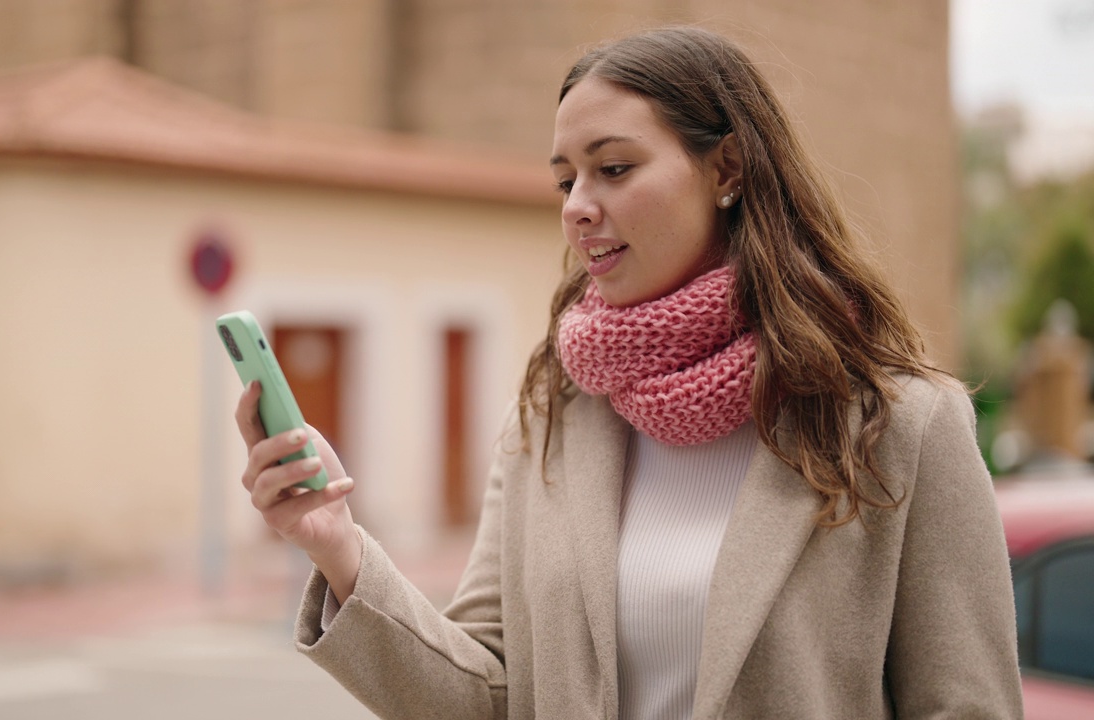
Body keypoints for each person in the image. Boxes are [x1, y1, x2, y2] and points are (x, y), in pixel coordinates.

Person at [236, 26, 1023, 720]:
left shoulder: (901, 425)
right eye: (565, 179)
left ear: (729, 171)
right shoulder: (550, 421)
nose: (577, 204)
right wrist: (337, 548)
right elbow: (487, 698)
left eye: (613, 168)